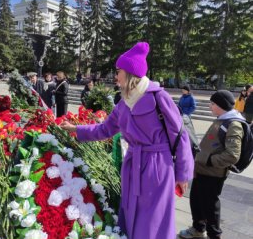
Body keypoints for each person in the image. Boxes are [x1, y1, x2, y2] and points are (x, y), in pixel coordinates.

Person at [60, 42, 194, 239]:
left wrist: (182, 174)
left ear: (130, 73)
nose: (116, 76)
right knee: (132, 215)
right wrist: (76, 130)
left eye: (118, 71)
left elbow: (180, 135)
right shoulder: (124, 102)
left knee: (153, 220)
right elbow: (105, 129)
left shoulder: (159, 97)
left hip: (157, 167)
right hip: (133, 166)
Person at [179, 90, 244, 239]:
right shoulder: (221, 119)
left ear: (221, 105)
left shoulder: (233, 124)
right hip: (202, 170)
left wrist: (208, 160)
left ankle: (214, 235)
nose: (210, 106)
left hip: (213, 174)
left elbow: (232, 155)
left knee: (210, 206)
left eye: (213, 103)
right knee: (196, 200)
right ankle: (198, 228)